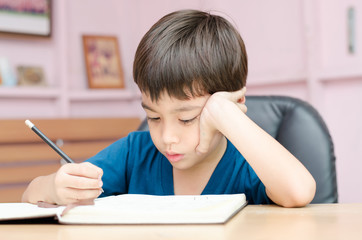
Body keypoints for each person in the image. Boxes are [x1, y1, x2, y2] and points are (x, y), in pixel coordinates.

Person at [22, 9, 316, 207]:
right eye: (153, 116)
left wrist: (226, 114)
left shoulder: (247, 164)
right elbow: (29, 197)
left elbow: (299, 191)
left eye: (187, 118)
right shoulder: (134, 154)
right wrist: (54, 187)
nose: (167, 137)